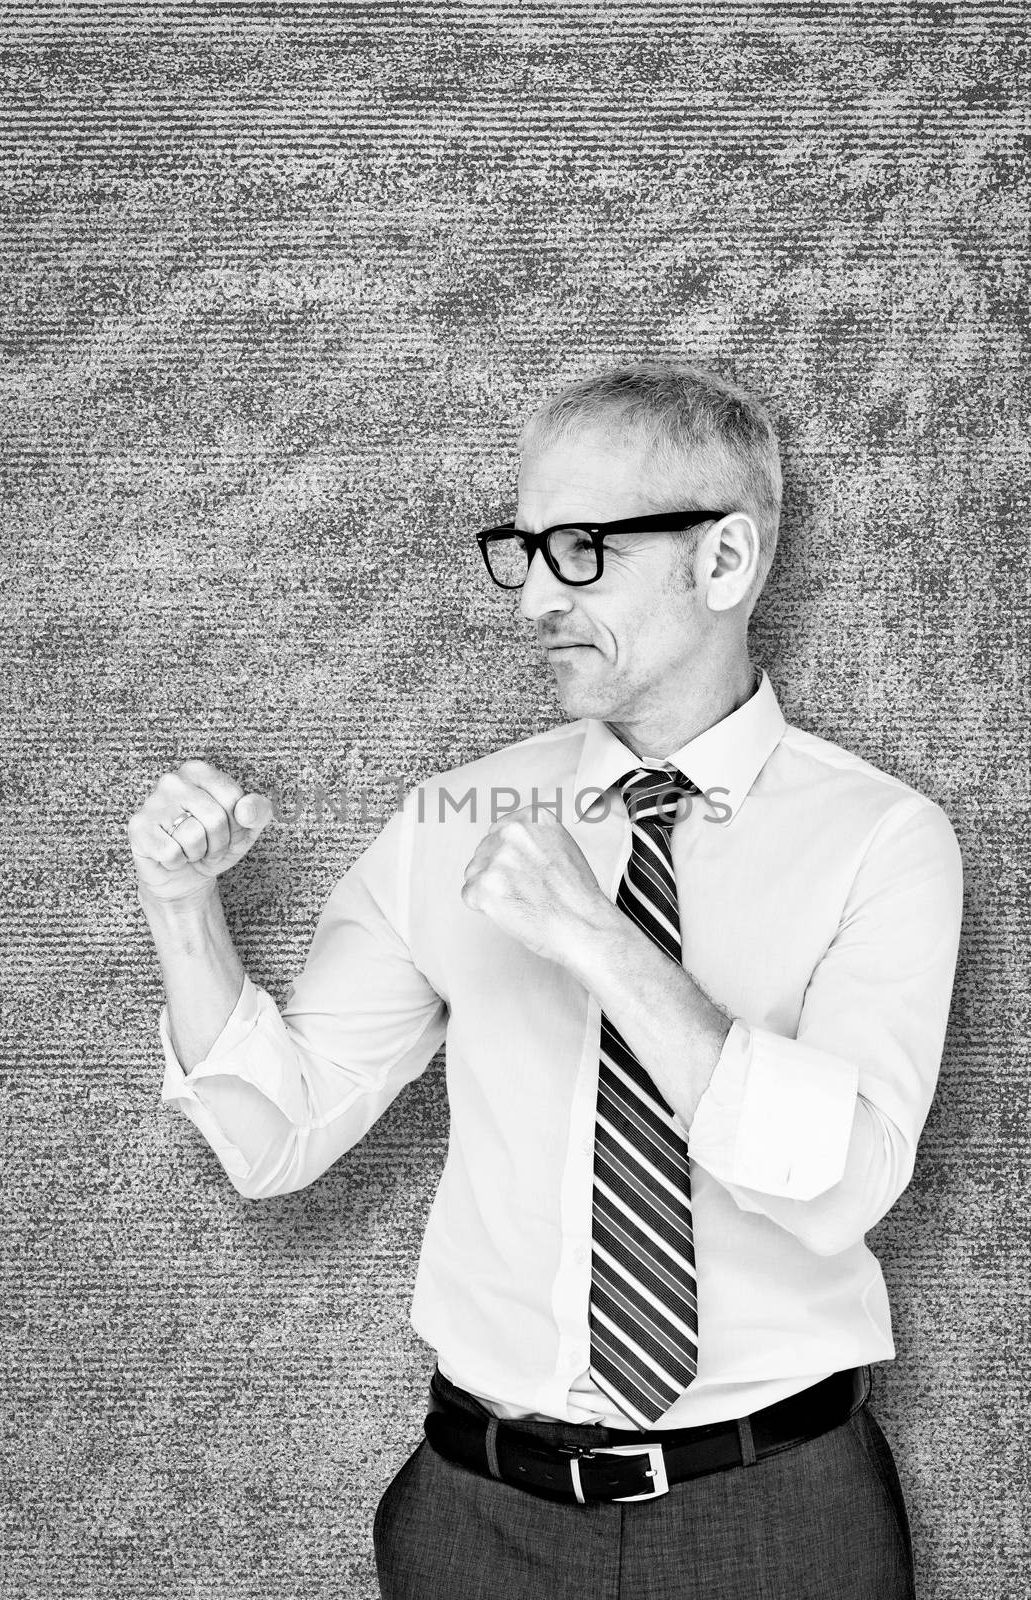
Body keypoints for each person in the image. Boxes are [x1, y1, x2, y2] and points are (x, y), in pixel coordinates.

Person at [129, 361, 963, 1600]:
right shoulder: (451, 818)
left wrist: (598, 937)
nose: (531, 599)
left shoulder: (883, 838)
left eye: (578, 550)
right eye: (518, 551)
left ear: (723, 560)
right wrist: (181, 906)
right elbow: (275, 1138)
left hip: (780, 1513)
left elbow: (839, 1181)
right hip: (481, 1524)